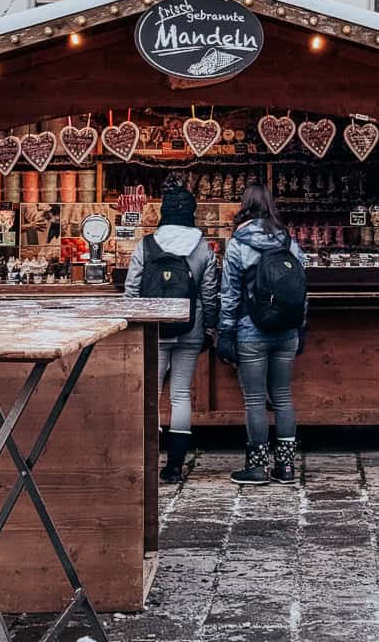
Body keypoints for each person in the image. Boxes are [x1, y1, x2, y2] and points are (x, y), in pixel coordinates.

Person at [125, 179, 219, 483]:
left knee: (150, 395)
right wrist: (210, 327)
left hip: (154, 329)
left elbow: (132, 289)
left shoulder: (146, 244)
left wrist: (137, 323)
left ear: (164, 213)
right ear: (191, 214)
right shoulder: (202, 246)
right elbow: (209, 292)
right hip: (190, 328)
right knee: (180, 395)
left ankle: (148, 462)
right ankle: (175, 466)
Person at [217, 183, 307, 486]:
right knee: (283, 398)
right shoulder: (288, 241)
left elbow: (229, 294)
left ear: (245, 205)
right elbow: (301, 288)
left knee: (255, 400)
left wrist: (225, 332)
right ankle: (286, 467)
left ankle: (256, 467)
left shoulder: (238, 243)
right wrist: (301, 327)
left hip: (250, 330)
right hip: (286, 331)